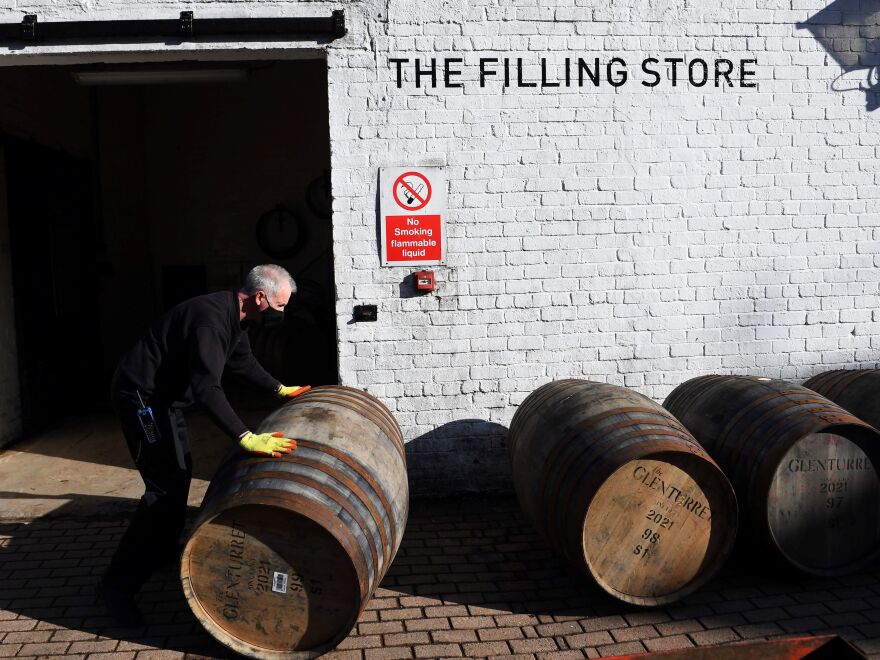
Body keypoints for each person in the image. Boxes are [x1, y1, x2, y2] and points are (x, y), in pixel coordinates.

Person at [96, 264, 310, 626]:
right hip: (142, 400)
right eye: (278, 307)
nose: (280, 314)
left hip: (164, 401)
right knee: (163, 490)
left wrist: (279, 389)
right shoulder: (209, 321)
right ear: (259, 297)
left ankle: (161, 552)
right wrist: (245, 436)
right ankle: (115, 588)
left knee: (179, 475)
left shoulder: (236, 318)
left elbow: (242, 362)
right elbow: (207, 389)